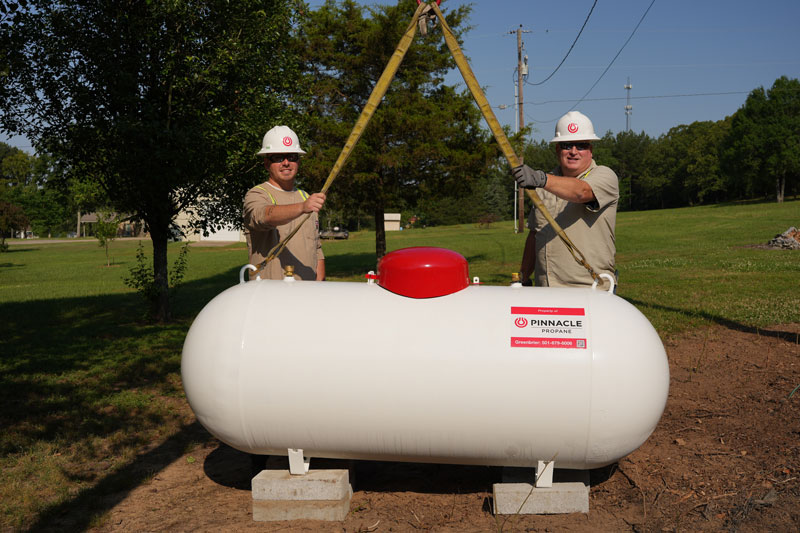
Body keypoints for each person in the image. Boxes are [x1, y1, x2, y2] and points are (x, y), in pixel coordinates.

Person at [514, 111, 619, 289]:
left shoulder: (605, 176)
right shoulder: (544, 186)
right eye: (567, 145)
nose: (573, 152)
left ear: (591, 150)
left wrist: (541, 179)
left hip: (589, 289)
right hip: (545, 291)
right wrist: (523, 277)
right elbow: (535, 235)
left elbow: (581, 192)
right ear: (557, 149)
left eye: (581, 145)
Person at [243, 125, 326, 281]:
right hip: (270, 295)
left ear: (298, 162)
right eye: (278, 158)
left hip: (307, 294)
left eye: (292, 157)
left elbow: (316, 249)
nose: (286, 163)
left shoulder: (305, 197)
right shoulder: (257, 194)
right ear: (267, 164)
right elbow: (264, 216)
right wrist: (303, 207)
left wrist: (319, 287)